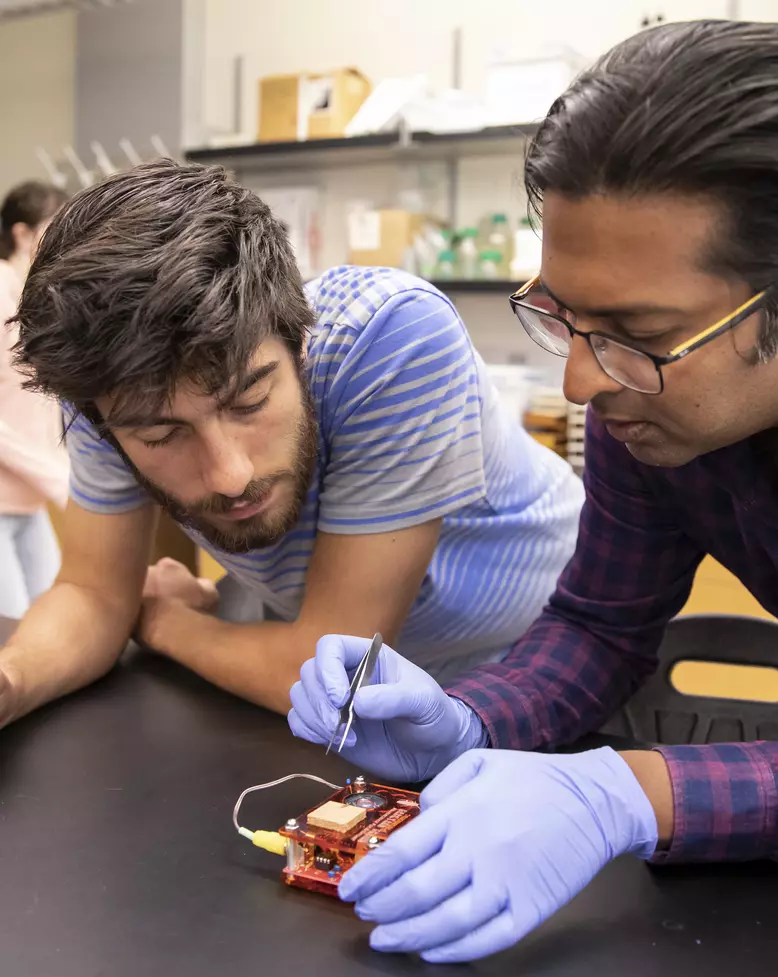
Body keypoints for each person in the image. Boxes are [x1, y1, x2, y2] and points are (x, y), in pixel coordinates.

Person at [288, 19, 778, 964]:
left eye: (631, 330)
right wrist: (466, 721)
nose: (581, 381)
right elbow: (598, 625)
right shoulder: (651, 386)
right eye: (565, 319)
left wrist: (622, 794)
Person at [0, 160, 583, 728]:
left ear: (301, 340)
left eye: (248, 403)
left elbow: (334, 674)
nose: (229, 475)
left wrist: (160, 619)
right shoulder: (109, 383)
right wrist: (11, 681)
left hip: (533, 661)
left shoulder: (389, 338)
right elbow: (93, 593)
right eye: (161, 435)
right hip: (309, 677)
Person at [0, 181, 69, 619]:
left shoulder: (31, 300)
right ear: (23, 234)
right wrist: (57, 476)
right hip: (8, 498)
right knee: (11, 640)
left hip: (30, 499)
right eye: (53, 228)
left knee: (52, 619)